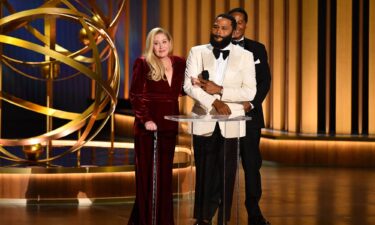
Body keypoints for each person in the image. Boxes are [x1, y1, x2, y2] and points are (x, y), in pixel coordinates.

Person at [184, 14, 257, 225]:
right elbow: (189, 86)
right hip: (204, 119)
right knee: (204, 173)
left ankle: (224, 219)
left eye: (224, 28)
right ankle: (202, 218)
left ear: (233, 31)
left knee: (227, 175)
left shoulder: (245, 56)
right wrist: (214, 102)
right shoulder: (197, 52)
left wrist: (221, 91)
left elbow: (249, 91)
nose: (218, 32)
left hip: (231, 123)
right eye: (216, 27)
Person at [128, 27, 186, 225]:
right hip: (148, 128)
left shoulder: (179, 63)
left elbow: (181, 90)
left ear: (170, 43)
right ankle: (145, 220)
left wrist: (198, 84)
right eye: (156, 42)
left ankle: (163, 221)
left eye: (164, 42)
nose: (160, 46)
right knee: (148, 178)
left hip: (170, 126)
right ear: (150, 45)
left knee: (164, 178)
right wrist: (146, 119)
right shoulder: (143, 63)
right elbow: (135, 96)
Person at [228, 8, 272, 225]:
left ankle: (254, 213)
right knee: (224, 166)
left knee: (252, 165)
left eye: (240, 22)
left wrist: (251, 103)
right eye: (232, 22)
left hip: (250, 117)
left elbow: (265, 81)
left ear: (245, 24)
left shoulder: (257, 48)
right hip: (224, 117)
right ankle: (221, 214)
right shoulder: (215, 48)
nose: (236, 27)